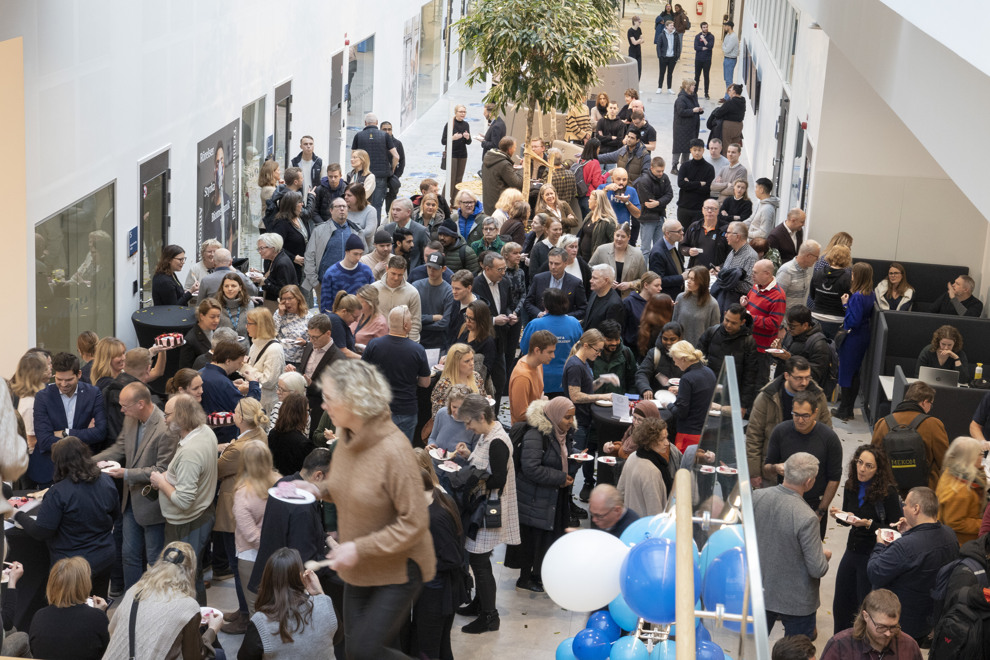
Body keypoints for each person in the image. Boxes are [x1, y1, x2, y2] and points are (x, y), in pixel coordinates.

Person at [317, 360, 435, 659]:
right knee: (356, 652)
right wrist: (315, 490)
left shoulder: (394, 450)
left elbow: (415, 522)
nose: (323, 404)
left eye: (330, 397)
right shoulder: (346, 437)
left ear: (354, 401)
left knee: (364, 649)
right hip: (362, 563)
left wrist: (358, 548)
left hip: (401, 565)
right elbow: (347, 487)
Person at [94, 382, 177, 591]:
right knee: (128, 554)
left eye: (125, 405)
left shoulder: (165, 427)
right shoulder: (131, 419)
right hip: (130, 501)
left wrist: (126, 473)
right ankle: (132, 600)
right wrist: (89, 462)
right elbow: (118, 448)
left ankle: (155, 601)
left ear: (141, 404)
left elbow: (161, 470)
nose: (121, 410)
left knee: (154, 556)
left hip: (153, 505)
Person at [15, 436, 119, 597]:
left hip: (72, 567)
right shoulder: (105, 480)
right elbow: (115, 514)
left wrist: (18, 514)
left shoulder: (58, 492)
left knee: (69, 611)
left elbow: (41, 531)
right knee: (99, 606)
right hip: (104, 556)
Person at [450, 394, 520, 634]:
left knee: (479, 562)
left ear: (481, 417)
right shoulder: (486, 435)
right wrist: (466, 457)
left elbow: (498, 478)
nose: (467, 427)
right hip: (482, 507)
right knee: (478, 561)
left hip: (489, 511)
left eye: (469, 422)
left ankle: (490, 616)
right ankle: (481, 604)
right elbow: (486, 464)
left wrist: (472, 477)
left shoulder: (497, 441)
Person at [752, 452, 831, 639]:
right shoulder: (807, 517)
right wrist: (825, 556)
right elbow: (816, 569)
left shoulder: (756, 497)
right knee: (795, 653)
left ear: (784, 470)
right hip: (797, 603)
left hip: (761, 592)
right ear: (809, 482)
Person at [149, 394, 219, 605]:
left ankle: (193, 624)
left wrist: (161, 481)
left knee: (185, 576)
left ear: (181, 417)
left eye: (168, 415)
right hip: (199, 515)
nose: (164, 419)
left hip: (188, 521)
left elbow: (184, 500)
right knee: (191, 573)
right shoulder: (205, 432)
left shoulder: (190, 452)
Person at [866, 486, 959, 643]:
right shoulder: (950, 536)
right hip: (929, 619)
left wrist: (880, 546)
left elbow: (874, 572)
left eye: (906, 504)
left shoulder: (906, 546)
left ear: (916, 508)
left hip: (899, 624)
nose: (903, 508)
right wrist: (908, 533)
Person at [102, 542, 223, 660]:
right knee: (219, 654)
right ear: (191, 572)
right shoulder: (188, 606)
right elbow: (194, 656)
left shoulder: (134, 590)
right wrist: (212, 630)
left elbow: (112, 629)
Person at [829, 445, 903, 633]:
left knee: (865, 607)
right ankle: (840, 645)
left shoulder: (888, 493)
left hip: (872, 555)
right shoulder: (851, 485)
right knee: (841, 604)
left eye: (869, 466)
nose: (862, 469)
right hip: (852, 550)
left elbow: (895, 531)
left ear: (878, 470)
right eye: (860, 462)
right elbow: (850, 520)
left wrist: (869, 525)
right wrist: (841, 516)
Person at [511, 398, 579, 592]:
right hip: (535, 498)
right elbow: (531, 468)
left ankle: (539, 574)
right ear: (555, 415)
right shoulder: (536, 435)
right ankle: (526, 578)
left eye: (572, 417)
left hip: (554, 495)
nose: (569, 421)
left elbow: (562, 457)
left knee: (549, 537)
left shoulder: (563, 434)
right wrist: (559, 477)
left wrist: (576, 460)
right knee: (533, 540)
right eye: (566, 417)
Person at [213, 398, 269, 634]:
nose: (232, 413)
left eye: (235, 411)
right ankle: (243, 609)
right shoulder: (261, 435)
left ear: (240, 418)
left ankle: (245, 616)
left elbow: (218, 470)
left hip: (233, 506)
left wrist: (226, 449)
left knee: (237, 566)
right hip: (255, 500)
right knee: (244, 564)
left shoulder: (237, 448)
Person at [763, 390, 842, 536]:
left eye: (805, 415)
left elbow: (834, 478)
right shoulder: (780, 432)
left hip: (813, 505)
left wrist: (820, 511)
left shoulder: (829, 438)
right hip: (784, 503)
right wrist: (776, 468)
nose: (800, 420)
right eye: (796, 414)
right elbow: (767, 468)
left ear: (815, 413)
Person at [746, 356, 832, 487]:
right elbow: (754, 436)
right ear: (787, 375)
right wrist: (754, 473)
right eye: (799, 378)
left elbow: (827, 434)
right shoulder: (767, 397)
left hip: (805, 472)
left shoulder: (818, 397)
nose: (804, 382)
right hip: (774, 470)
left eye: (807, 377)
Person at [238, 548, 338, 659]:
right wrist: (319, 592)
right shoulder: (325, 603)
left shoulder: (260, 622)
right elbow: (336, 637)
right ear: (300, 578)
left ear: (266, 580)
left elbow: (244, 657)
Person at [30, 351, 107, 486]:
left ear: (79, 374)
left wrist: (66, 433)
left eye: (69, 380)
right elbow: (44, 440)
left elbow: (100, 432)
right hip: (49, 470)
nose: (63, 384)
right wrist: (84, 434)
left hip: (83, 470)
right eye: (59, 379)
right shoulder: (43, 397)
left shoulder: (93, 394)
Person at [362, 306, 431, 441]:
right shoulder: (417, 350)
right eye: (411, 320)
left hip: (379, 409)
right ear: (406, 325)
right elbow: (425, 383)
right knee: (402, 456)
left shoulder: (374, 345)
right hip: (406, 410)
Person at [871, 381, 949, 497]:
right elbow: (945, 461)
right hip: (923, 494)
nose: (930, 408)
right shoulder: (934, 425)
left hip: (889, 491)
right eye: (930, 404)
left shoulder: (882, 423)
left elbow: (873, 458)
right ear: (924, 402)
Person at [28, 556, 110, 660]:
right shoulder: (97, 617)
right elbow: (107, 651)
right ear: (84, 585)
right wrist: (100, 614)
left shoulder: (39, 616)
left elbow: (34, 649)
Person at [232, 440, 279, 616]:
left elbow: (250, 534)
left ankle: (261, 643)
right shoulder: (281, 482)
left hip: (251, 557)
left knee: (256, 609)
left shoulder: (243, 493)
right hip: (278, 555)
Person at [821, 589, 922, 660]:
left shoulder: (909, 646)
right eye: (881, 627)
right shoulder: (840, 646)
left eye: (893, 627)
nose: (888, 633)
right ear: (866, 616)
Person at [520, 288, 584, 396]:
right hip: (568, 379)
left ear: (545, 304)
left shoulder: (535, 324)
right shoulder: (574, 323)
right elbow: (581, 350)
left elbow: (525, 349)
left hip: (541, 379)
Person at [833, 262, 876, 422]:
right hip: (862, 336)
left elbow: (853, 321)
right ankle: (848, 408)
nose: (851, 276)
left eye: (853, 274)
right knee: (854, 373)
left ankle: (844, 410)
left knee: (846, 373)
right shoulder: (870, 293)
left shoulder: (857, 296)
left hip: (853, 338)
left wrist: (845, 305)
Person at [696, 303, 759, 411]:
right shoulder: (712, 332)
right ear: (724, 314)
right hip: (707, 389)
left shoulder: (748, 342)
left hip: (731, 395)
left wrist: (743, 405)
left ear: (742, 322)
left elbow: (750, 376)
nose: (728, 325)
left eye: (734, 323)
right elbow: (697, 360)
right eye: (727, 320)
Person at [617, 417, 682, 516]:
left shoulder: (633, 457)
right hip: (645, 527)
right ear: (649, 441)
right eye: (662, 439)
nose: (667, 443)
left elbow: (620, 492)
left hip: (631, 522)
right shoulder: (651, 471)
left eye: (666, 437)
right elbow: (655, 512)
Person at [661, 340, 717, 451]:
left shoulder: (687, 378)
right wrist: (681, 390)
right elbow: (700, 394)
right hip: (704, 430)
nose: (675, 364)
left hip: (688, 434)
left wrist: (668, 404)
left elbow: (681, 413)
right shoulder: (709, 372)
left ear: (683, 359)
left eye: (675, 360)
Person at [935, 436, 987, 545]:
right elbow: (954, 522)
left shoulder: (950, 472)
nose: (982, 457)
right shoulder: (960, 490)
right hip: (963, 543)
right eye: (979, 454)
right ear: (969, 458)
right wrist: (984, 523)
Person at [525, 247, 588, 321]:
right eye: (550, 263)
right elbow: (528, 302)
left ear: (566, 263)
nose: (553, 267)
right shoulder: (539, 279)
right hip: (542, 325)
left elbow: (583, 309)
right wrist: (539, 313)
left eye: (557, 264)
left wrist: (566, 317)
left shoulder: (575, 283)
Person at [508, 330, 557, 423]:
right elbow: (520, 415)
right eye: (550, 352)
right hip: (525, 432)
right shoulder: (522, 376)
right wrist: (543, 404)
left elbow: (539, 393)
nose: (553, 356)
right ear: (537, 350)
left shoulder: (538, 364)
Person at [591, 222, 648, 302]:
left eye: (623, 236)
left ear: (629, 237)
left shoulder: (637, 255)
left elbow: (644, 280)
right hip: (604, 298)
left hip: (627, 300)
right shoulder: (601, 250)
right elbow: (589, 269)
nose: (619, 239)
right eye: (617, 235)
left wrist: (630, 284)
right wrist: (604, 281)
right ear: (614, 234)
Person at [371, 255, 423, 342]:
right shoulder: (374, 289)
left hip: (402, 341)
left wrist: (413, 344)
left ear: (404, 272)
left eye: (400, 275)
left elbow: (415, 323)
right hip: (377, 340)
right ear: (387, 269)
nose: (396, 278)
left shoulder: (413, 293)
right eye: (393, 273)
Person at [9, 350, 49, 455]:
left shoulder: (37, 397)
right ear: (37, 374)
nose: (49, 369)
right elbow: (32, 441)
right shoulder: (30, 404)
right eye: (45, 367)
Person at [431, 343, 486, 416]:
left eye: (472, 359)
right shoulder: (444, 384)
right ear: (455, 364)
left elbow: (483, 400)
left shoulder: (476, 376)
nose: (472, 363)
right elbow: (437, 414)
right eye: (467, 361)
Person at [810, 245, 852, 338]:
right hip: (836, 320)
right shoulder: (848, 278)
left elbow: (812, 295)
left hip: (816, 317)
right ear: (847, 258)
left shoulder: (817, 273)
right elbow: (850, 301)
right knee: (833, 350)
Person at [270, 190, 311, 285]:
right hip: (290, 269)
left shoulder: (300, 218)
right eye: (299, 202)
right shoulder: (281, 223)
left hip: (305, 270)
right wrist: (293, 257)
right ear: (292, 205)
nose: (302, 205)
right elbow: (275, 247)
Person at [634, 157, 674, 252]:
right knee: (645, 249)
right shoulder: (643, 181)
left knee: (659, 248)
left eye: (662, 171)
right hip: (647, 218)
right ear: (651, 168)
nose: (661, 173)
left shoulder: (664, 178)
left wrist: (658, 203)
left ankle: (656, 267)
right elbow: (648, 204)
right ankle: (644, 267)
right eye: (658, 171)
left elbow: (670, 194)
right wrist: (663, 203)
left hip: (660, 217)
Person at [673, 265, 720, 345]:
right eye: (688, 277)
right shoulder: (680, 298)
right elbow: (674, 323)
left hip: (699, 351)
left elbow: (714, 333)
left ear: (702, 282)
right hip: (680, 348)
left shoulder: (712, 304)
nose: (688, 281)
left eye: (693, 279)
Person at [681, 198, 730, 271]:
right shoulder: (694, 227)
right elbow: (682, 247)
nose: (709, 211)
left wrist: (721, 267)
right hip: (696, 272)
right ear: (702, 210)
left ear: (718, 211)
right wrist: (688, 251)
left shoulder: (727, 229)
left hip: (715, 274)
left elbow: (733, 255)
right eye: (707, 208)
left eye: (713, 209)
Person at [480, 136, 523, 216]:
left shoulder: (489, 158)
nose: (515, 150)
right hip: (499, 206)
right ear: (510, 149)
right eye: (515, 147)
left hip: (488, 205)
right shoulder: (504, 164)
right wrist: (522, 168)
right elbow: (517, 183)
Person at [251, 233, 299, 304]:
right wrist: (260, 274)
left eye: (262, 248)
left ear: (273, 248)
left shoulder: (282, 263)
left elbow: (283, 290)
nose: (259, 251)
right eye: (258, 248)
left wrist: (264, 281)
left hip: (279, 304)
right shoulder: (270, 260)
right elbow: (273, 277)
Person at [776, 241, 822, 311]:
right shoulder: (786, 271)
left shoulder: (805, 270)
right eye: (817, 257)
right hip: (785, 319)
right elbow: (777, 299)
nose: (817, 260)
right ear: (808, 256)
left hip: (797, 318)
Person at [441, 105, 472, 205]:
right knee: (451, 178)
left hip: (462, 154)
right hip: (452, 154)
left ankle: (455, 202)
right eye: (460, 112)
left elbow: (468, 142)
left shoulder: (466, 124)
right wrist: (452, 138)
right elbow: (443, 141)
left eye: (464, 112)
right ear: (455, 112)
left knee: (459, 180)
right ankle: (444, 202)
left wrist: (468, 138)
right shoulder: (450, 124)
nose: (463, 114)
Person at [672, 85, 705, 179]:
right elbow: (681, 112)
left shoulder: (694, 96)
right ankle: (674, 166)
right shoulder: (681, 99)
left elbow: (695, 107)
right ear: (687, 87)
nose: (694, 87)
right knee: (678, 147)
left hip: (691, 127)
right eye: (692, 85)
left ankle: (684, 166)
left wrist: (699, 110)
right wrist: (692, 110)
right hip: (681, 127)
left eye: (695, 85)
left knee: (688, 147)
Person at [648, 219, 687, 297]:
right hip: (667, 297)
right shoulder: (657, 253)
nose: (682, 233)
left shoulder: (671, 245)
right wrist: (681, 277)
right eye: (678, 231)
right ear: (668, 233)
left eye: (682, 229)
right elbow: (658, 280)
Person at [637, 308, 679, 378]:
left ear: (680, 339)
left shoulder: (687, 355)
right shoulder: (654, 354)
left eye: (673, 339)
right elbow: (642, 373)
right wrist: (646, 388)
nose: (668, 342)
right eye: (665, 339)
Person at [578, 190, 618, 262]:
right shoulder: (589, 215)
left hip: (597, 260)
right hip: (583, 258)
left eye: (590, 199)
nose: (588, 201)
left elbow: (614, 243)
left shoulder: (608, 222)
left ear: (596, 202)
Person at [583, 264, 625, 332]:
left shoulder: (614, 304)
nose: (590, 280)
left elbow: (611, 333)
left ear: (606, 280)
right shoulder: (594, 293)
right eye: (591, 277)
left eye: (595, 278)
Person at [709, 84, 747, 150]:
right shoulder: (742, 100)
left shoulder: (730, 102)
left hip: (728, 127)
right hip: (739, 127)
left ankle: (726, 160)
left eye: (730, 90)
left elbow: (718, 113)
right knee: (734, 149)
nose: (728, 92)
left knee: (725, 149)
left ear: (734, 92)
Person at [351, 284, 388, 348]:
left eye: (360, 302)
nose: (357, 305)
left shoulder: (380, 323)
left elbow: (381, 349)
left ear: (370, 303)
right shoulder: (359, 315)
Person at [654, 19, 681, 94]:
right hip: (663, 57)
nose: (672, 27)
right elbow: (658, 46)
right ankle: (659, 87)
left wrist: (677, 56)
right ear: (666, 26)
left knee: (670, 73)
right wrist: (660, 56)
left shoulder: (676, 35)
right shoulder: (662, 35)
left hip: (672, 57)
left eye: (673, 25)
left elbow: (678, 46)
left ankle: (669, 88)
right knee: (662, 73)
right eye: (671, 25)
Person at [694, 22, 714, 98]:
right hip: (698, 59)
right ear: (701, 28)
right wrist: (703, 48)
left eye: (706, 27)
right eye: (704, 27)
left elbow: (710, 46)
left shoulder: (711, 37)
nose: (705, 28)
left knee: (706, 76)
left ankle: (706, 93)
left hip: (707, 60)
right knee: (697, 76)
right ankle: (695, 92)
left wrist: (704, 40)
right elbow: (696, 47)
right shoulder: (697, 36)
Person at [721, 21, 739, 100]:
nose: (724, 28)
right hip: (726, 58)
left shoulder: (733, 37)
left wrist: (724, 48)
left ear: (729, 26)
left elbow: (726, 50)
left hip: (730, 60)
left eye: (725, 26)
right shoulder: (728, 35)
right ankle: (726, 96)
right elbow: (723, 45)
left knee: (729, 80)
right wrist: (724, 48)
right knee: (726, 79)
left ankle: (728, 98)